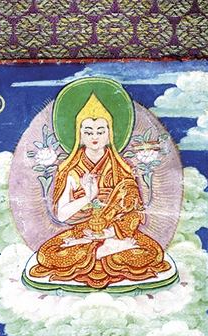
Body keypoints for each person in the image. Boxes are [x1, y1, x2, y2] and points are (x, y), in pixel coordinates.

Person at [23, 93, 172, 291]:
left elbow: (134, 212)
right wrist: (87, 197)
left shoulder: (122, 169)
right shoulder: (70, 170)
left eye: (100, 131)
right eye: (89, 132)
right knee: (47, 255)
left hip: (116, 233)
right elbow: (62, 215)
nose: (95, 137)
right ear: (80, 135)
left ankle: (104, 251)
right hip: (82, 234)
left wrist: (114, 233)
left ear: (110, 134)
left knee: (152, 252)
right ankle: (103, 252)